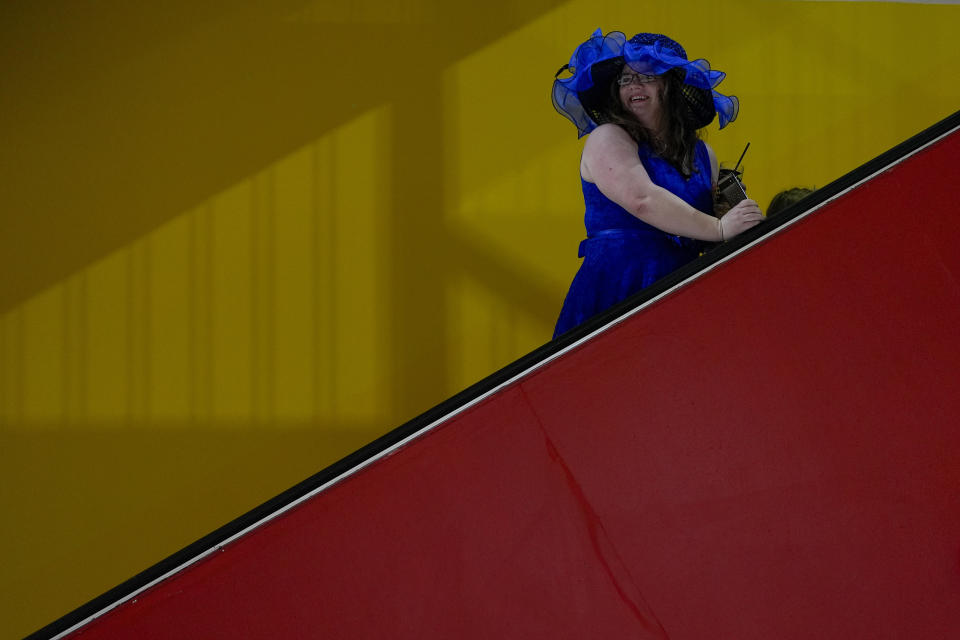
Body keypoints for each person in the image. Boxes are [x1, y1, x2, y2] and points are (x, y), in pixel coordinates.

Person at [551, 30, 763, 338]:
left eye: (647, 76)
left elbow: (707, 234)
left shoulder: (704, 155)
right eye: (625, 79)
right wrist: (718, 228)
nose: (633, 85)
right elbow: (642, 199)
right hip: (620, 287)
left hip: (683, 291)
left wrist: (733, 217)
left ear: (669, 86)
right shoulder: (607, 137)